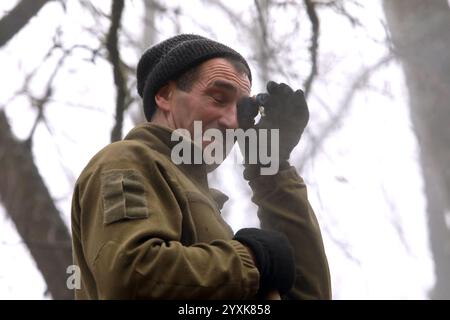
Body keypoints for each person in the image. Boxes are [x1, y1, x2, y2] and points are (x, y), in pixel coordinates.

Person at [71, 34, 331, 299]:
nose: (233, 122)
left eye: (242, 110)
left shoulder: (205, 207)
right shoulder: (125, 161)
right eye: (219, 98)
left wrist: (271, 169)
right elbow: (131, 277)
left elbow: (309, 295)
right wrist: (251, 259)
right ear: (164, 95)